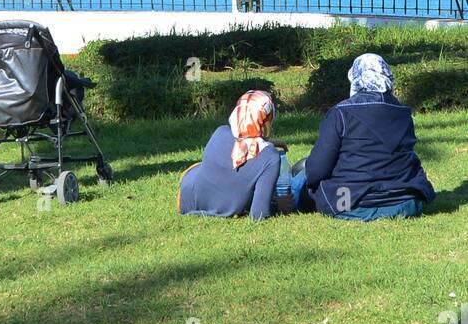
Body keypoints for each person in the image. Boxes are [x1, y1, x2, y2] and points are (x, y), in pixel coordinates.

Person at [295, 53, 435, 220]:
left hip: (350, 205)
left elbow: (317, 168)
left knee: (302, 174)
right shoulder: (404, 113)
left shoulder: (340, 113)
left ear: (355, 77)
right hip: (405, 202)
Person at [178, 89, 283, 220]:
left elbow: (243, 142)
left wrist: (269, 144)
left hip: (188, 200)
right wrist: (278, 205)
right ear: (267, 120)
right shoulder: (270, 158)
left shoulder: (220, 133)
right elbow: (259, 214)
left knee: (199, 167)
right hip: (224, 207)